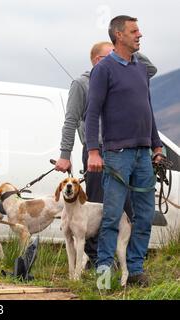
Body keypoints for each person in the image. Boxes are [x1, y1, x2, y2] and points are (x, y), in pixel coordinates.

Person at [55, 42, 157, 267]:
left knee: (125, 208)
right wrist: (64, 154)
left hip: (124, 151)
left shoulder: (125, 75)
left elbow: (151, 70)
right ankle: (96, 261)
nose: (116, 58)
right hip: (97, 151)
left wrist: (129, 48)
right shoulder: (82, 84)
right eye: (110, 55)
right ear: (97, 60)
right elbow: (71, 120)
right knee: (95, 206)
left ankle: (127, 262)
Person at [85, 15, 164, 287]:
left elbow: (148, 109)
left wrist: (157, 145)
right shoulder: (103, 69)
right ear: (119, 35)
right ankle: (104, 279)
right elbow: (92, 111)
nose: (139, 35)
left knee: (144, 216)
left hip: (144, 154)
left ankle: (135, 271)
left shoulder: (140, 68)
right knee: (111, 217)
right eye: (134, 31)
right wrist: (93, 152)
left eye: (138, 30)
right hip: (117, 153)